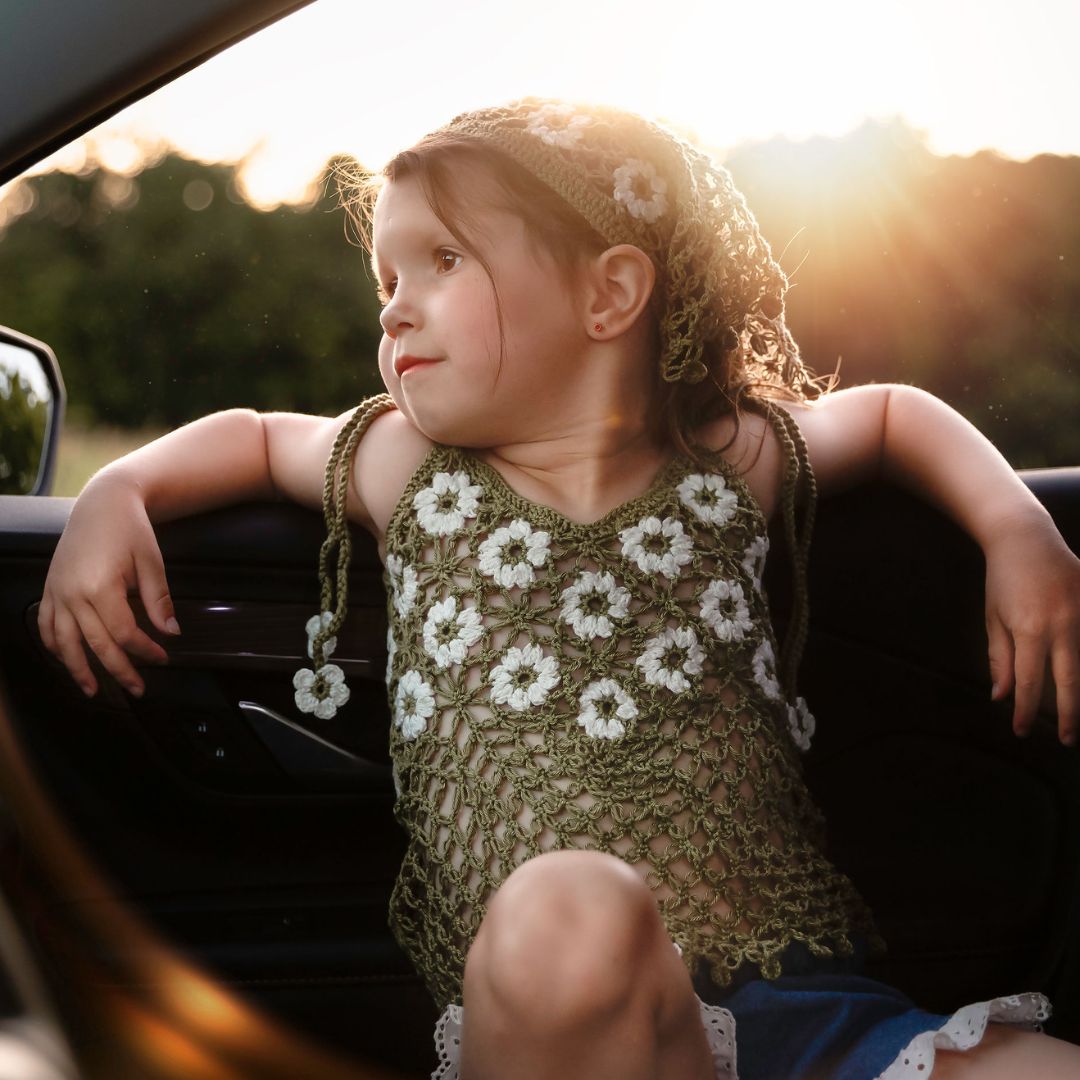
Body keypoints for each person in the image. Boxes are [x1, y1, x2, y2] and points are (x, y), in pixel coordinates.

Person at [39, 99, 1080, 1080]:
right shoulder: (410, 472)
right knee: (571, 905)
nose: (397, 311)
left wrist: (1016, 530)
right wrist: (117, 492)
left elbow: (893, 414)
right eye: (386, 280)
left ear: (609, 294)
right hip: (563, 1013)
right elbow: (260, 440)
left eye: (441, 262)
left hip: (802, 1013)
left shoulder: (727, 460)